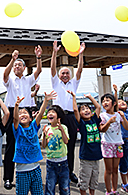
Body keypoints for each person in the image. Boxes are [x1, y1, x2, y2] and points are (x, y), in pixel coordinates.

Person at [3, 45, 43, 190]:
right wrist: (11, 60)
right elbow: (5, 75)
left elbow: (39, 71)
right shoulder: (10, 80)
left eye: (20, 65)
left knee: (29, 143)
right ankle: (8, 178)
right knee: (11, 146)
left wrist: (38, 57)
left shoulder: (28, 80)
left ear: (24, 68)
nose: (17, 67)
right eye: (15, 65)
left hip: (26, 112)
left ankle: (30, 173)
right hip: (13, 112)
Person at [51, 40, 86, 183]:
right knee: (57, 144)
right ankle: (57, 174)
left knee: (70, 146)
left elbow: (80, 69)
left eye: (67, 73)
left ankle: (69, 172)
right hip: (58, 116)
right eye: (63, 73)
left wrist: (80, 54)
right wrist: (54, 53)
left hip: (71, 117)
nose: (65, 75)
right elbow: (52, 68)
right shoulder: (55, 82)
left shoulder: (74, 82)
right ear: (59, 75)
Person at [13, 90, 57, 195]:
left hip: (36, 168)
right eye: (20, 114)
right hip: (22, 170)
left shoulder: (34, 126)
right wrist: (16, 106)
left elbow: (41, 114)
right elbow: (15, 119)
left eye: (25, 113)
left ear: (30, 117)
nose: (22, 114)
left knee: (38, 193)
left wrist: (46, 101)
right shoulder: (18, 129)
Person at [68, 91, 102, 195]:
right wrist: (74, 97)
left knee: (93, 181)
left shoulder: (94, 120)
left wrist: (90, 97)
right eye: (83, 109)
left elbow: (98, 107)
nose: (86, 110)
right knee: (84, 182)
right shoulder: (82, 123)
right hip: (86, 158)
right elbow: (74, 110)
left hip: (96, 157)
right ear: (80, 114)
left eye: (87, 108)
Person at [100, 91, 128, 195]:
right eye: (103, 101)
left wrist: (123, 117)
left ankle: (114, 190)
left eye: (107, 100)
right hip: (107, 144)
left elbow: (127, 127)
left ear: (114, 103)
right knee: (108, 169)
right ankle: (108, 191)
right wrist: (109, 122)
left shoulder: (118, 115)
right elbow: (102, 129)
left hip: (118, 144)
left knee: (115, 168)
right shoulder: (102, 115)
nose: (105, 102)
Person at [42, 104, 70, 195]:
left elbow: (66, 141)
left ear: (59, 116)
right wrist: (44, 135)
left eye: (53, 112)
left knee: (64, 187)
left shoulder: (64, 127)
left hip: (63, 162)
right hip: (51, 163)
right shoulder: (47, 128)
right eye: (49, 112)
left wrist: (61, 130)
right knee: (50, 187)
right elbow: (43, 145)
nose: (50, 114)